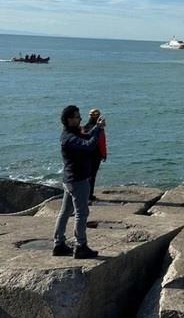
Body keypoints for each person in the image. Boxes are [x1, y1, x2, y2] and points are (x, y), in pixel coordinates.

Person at [52, 105, 105, 259]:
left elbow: (86, 137)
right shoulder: (69, 138)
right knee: (81, 214)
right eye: (77, 117)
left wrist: (96, 128)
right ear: (70, 120)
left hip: (70, 180)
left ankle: (59, 244)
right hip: (78, 180)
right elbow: (89, 145)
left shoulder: (71, 134)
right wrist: (99, 130)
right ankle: (81, 246)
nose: (80, 119)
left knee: (65, 212)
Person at [82, 109, 108, 202]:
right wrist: (104, 154)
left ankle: (84, 194)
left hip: (85, 154)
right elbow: (102, 143)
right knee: (92, 175)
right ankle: (90, 195)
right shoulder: (100, 129)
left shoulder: (84, 128)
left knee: (85, 175)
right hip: (96, 154)